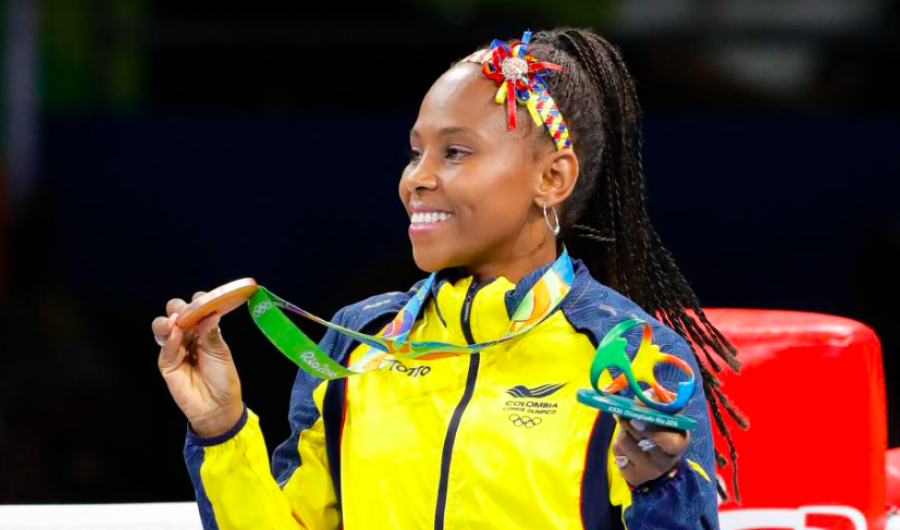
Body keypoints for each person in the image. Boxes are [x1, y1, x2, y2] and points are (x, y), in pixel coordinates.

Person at [151, 27, 745, 530]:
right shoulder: (360, 342)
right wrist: (221, 428)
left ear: (553, 178)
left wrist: (658, 489)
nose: (417, 179)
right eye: (415, 153)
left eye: (455, 153)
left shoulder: (630, 356)